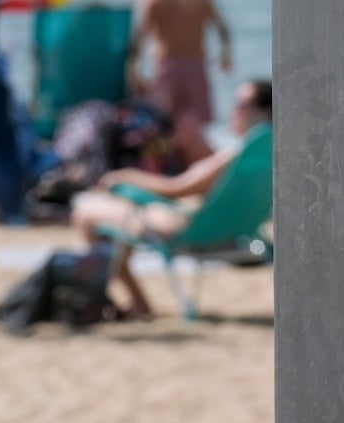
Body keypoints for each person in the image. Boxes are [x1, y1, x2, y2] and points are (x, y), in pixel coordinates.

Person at [70, 78, 272, 318]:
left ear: (266, 112)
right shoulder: (272, 153)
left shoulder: (233, 155)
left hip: (190, 230)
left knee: (85, 213)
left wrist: (127, 177)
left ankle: (125, 299)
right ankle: (135, 300)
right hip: (237, 228)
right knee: (124, 214)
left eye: (242, 103)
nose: (233, 109)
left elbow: (175, 188)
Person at [128, 0, 232, 165]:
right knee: (193, 125)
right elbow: (222, 28)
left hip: (168, 67)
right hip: (196, 66)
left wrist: (133, 72)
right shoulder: (200, 3)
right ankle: (191, 167)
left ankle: (175, 169)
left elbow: (138, 40)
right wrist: (226, 54)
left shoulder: (154, 3)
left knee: (164, 123)